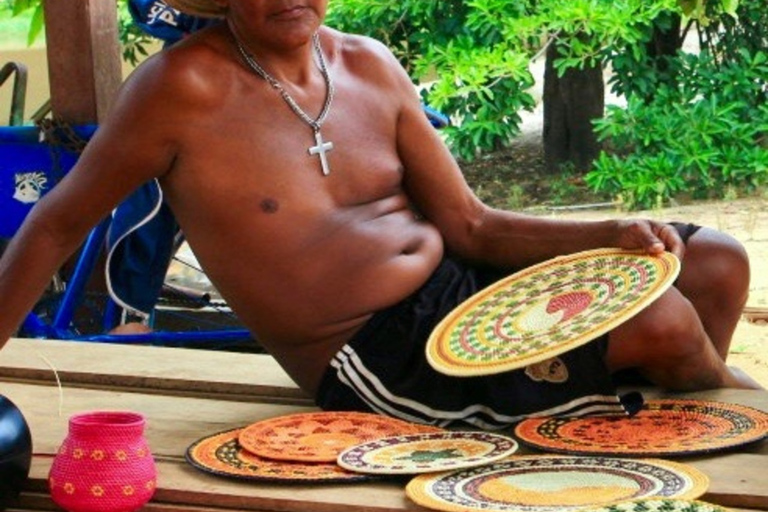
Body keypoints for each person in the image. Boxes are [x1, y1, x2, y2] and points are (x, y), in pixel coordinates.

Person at [0, 0, 761, 429]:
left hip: (467, 283)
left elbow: (473, 227)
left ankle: (662, 427)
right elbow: (58, 223)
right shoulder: (178, 91)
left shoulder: (367, 63)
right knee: (659, 323)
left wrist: (610, 233)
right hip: (376, 353)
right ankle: (731, 425)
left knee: (718, 261)